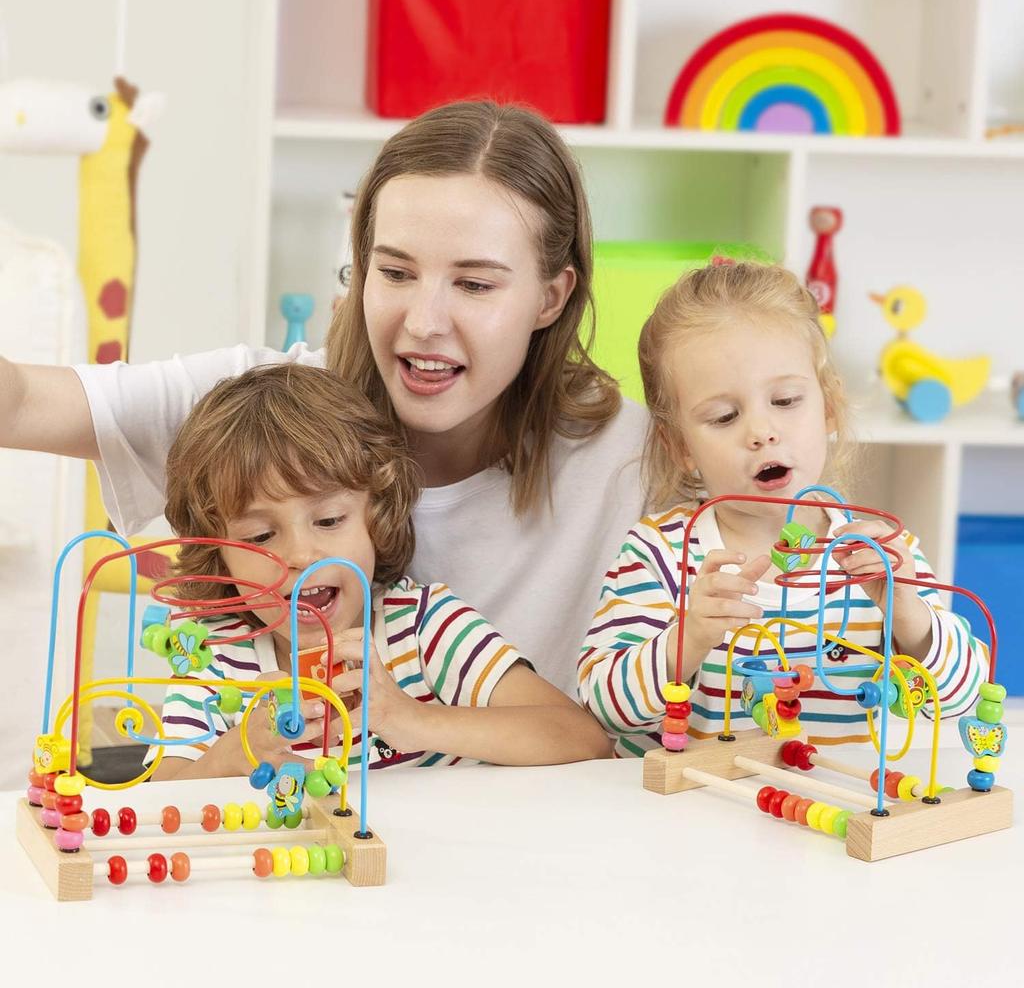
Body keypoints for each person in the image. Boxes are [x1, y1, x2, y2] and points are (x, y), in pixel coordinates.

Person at [0, 100, 646, 698]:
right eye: (394, 273)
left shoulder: (636, 456)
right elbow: (22, 400)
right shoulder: (265, 414)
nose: (423, 321)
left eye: (474, 284)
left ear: (551, 297)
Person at [577, 261, 986, 756]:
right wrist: (686, 639)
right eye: (724, 416)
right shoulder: (659, 552)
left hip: (826, 816)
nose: (761, 431)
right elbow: (600, 705)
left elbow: (965, 697)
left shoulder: (878, 554)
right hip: (684, 820)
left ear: (829, 406)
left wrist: (907, 613)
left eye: (787, 400)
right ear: (679, 445)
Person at [147, 364, 611, 780]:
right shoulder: (212, 652)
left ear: (377, 517)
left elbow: (582, 739)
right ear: (218, 554)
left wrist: (408, 719)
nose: (302, 555)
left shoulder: (424, 629)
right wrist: (236, 752)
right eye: (259, 537)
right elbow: (159, 796)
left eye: (329, 521)